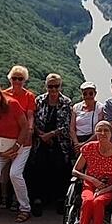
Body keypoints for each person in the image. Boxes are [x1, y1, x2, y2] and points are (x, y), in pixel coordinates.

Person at [0, 83, 32, 222]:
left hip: (22, 145)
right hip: (2, 146)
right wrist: (0, 151)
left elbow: (25, 127)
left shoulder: (13, 105)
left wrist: (16, 147)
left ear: (0, 93)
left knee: (15, 174)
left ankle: (25, 208)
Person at [31, 73, 74, 215]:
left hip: (59, 141)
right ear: (46, 86)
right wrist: (41, 135)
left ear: (60, 86)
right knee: (38, 167)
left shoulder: (66, 102)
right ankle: (38, 199)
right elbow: (34, 120)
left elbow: (66, 125)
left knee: (60, 168)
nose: (53, 89)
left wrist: (50, 135)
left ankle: (60, 200)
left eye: (56, 86)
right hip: (41, 140)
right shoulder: (39, 100)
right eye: (50, 86)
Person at [3, 65, 36, 211]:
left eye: (20, 79)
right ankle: (4, 199)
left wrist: (29, 131)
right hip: (5, 138)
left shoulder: (29, 96)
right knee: (1, 171)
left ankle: (19, 201)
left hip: (22, 139)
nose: (17, 81)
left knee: (16, 173)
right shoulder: (3, 95)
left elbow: (30, 115)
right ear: (10, 79)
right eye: (14, 78)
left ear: (25, 80)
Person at [70, 81, 104, 153]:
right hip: (78, 140)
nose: (88, 96)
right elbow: (72, 128)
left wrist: (85, 144)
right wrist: (76, 144)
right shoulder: (76, 107)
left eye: (91, 93)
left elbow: (100, 129)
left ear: (95, 94)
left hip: (93, 140)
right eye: (85, 94)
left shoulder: (100, 108)